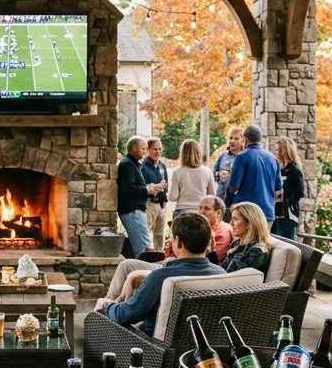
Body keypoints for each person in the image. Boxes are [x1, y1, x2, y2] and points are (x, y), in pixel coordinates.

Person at [94, 213, 226, 337]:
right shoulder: (221, 275)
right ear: (208, 242)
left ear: (178, 242)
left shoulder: (161, 277)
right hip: (203, 346)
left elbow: (126, 315)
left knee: (103, 313)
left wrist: (106, 305)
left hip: (153, 348)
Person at [225, 125, 282, 222]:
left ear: (245, 139)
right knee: (263, 238)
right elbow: (279, 188)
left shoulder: (242, 157)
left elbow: (233, 186)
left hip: (246, 212)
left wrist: (228, 203)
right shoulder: (273, 158)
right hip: (267, 213)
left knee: (244, 237)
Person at [117, 136, 163, 256]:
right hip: (133, 211)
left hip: (136, 210)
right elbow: (128, 189)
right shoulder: (127, 164)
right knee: (145, 250)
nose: (145, 151)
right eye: (143, 148)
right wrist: (147, 190)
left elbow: (135, 186)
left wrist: (150, 187)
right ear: (133, 148)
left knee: (142, 249)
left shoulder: (133, 163)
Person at [222, 202, 275, 275]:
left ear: (249, 223)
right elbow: (223, 269)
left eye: (235, 219)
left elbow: (235, 277)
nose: (231, 223)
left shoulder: (258, 251)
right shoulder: (237, 243)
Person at [167, 139, 215, 218]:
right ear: (198, 152)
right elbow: (212, 196)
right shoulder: (207, 171)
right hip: (201, 212)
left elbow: (172, 197)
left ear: (182, 153)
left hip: (181, 212)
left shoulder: (177, 171)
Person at [272, 137, 306, 240]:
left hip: (288, 216)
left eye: (278, 150)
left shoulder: (294, 170)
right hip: (274, 213)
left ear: (284, 151)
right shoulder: (277, 169)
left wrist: (288, 201)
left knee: (286, 244)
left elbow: (300, 192)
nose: (275, 152)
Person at [141, 137, 170, 250]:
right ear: (148, 150)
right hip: (149, 203)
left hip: (162, 204)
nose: (158, 152)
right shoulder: (143, 166)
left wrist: (164, 187)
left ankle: (159, 258)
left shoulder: (162, 166)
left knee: (160, 234)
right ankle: (147, 256)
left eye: (160, 149)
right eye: (154, 149)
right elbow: (142, 186)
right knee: (147, 232)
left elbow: (166, 183)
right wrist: (152, 188)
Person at [212, 127, 244, 220]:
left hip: (237, 203)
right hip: (220, 201)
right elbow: (213, 173)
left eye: (236, 138)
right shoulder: (223, 155)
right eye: (230, 138)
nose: (232, 141)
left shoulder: (244, 157)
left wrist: (231, 176)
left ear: (243, 140)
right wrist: (219, 174)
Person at [197, 195, 234, 265]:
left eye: (207, 209)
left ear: (218, 213)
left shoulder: (222, 231)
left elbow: (216, 259)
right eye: (200, 208)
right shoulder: (205, 228)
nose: (201, 212)